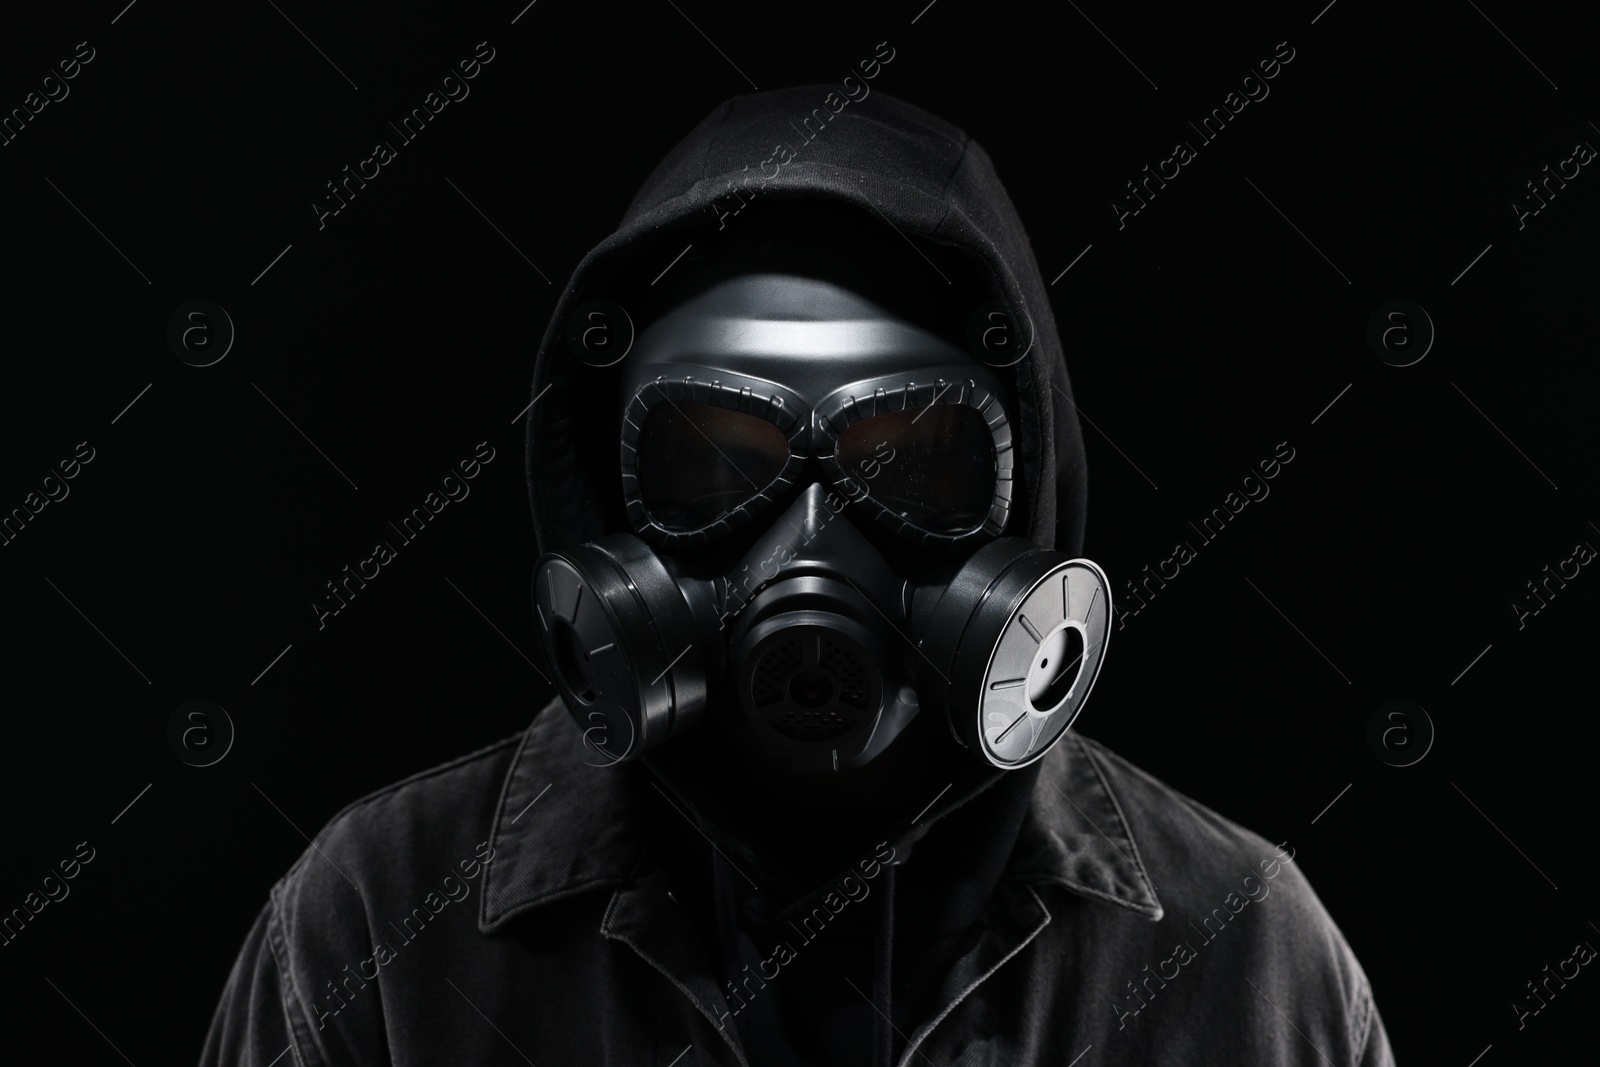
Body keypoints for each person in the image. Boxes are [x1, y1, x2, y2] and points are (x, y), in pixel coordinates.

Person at [201, 85, 1393, 1067]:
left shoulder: (1242, 954)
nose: (814, 543)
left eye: (914, 462)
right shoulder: (375, 929)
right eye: (718, 461)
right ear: (608, 512)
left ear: (1026, 496)